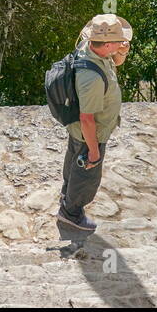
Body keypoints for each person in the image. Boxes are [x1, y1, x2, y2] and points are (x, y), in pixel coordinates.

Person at [57, 14, 131, 232]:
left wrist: (122, 52)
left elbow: (114, 60)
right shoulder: (91, 78)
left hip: (78, 132)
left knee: (72, 163)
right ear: (107, 45)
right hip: (91, 134)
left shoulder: (91, 48)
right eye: (119, 41)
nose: (123, 43)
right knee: (87, 175)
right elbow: (87, 119)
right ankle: (70, 214)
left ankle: (66, 195)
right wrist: (94, 152)